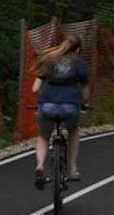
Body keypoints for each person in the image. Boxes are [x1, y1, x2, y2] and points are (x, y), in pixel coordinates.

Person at [31, 33, 90, 189]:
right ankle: (72, 168)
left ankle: (40, 166)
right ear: (77, 50)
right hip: (70, 106)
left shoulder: (49, 60)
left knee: (43, 136)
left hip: (48, 105)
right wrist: (83, 104)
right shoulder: (80, 64)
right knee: (73, 130)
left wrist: (45, 98)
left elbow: (35, 88)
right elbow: (85, 91)